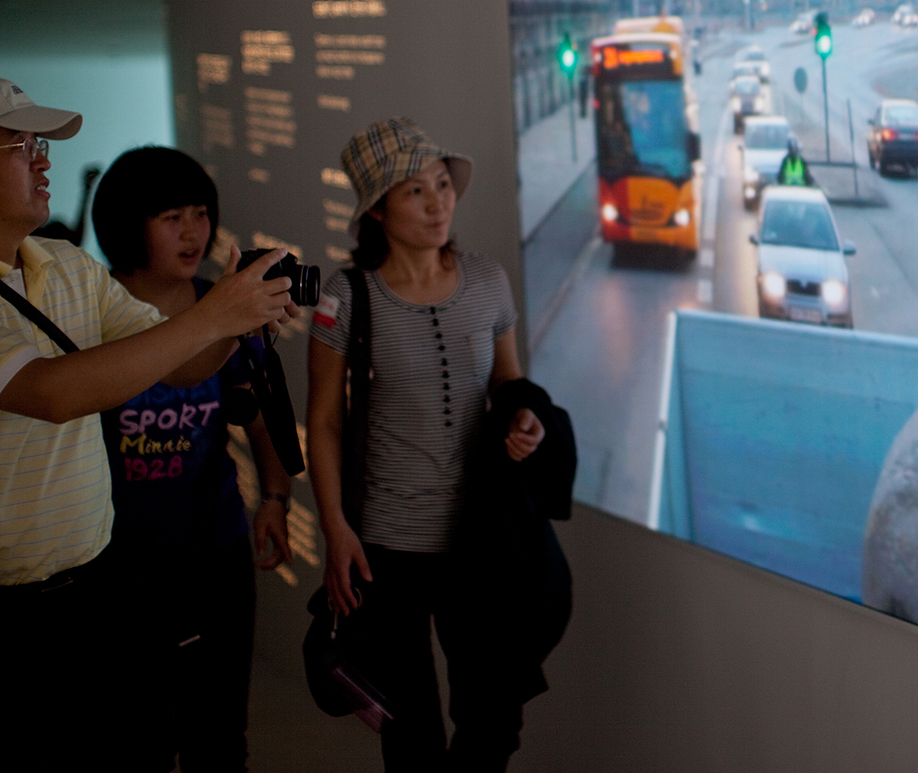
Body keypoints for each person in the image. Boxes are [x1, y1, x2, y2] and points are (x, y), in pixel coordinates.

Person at [0, 80, 295, 768]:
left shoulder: (67, 266)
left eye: (43, 146)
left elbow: (185, 364)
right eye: (23, 146)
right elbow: (50, 392)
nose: (44, 163)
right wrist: (217, 315)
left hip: (94, 582)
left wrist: (235, 315)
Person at [306, 118, 560, 772]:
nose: (438, 202)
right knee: (409, 731)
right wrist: (334, 527)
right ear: (377, 210)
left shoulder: (487, 281)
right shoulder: (346, 295)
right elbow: (326, 423)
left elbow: (509, 386)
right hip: (386, 548)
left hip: (480, 537)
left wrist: (525, 419)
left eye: (442, 185)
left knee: (494, 718)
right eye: (415, 191)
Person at [90, 146, 296, 772]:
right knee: (139, 737)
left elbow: (259, 415)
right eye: (171, 216)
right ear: (130, 225)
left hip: (216, 550)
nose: (192, 232)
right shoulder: (90, 309)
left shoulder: (219, 302)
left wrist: (274, 499)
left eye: (200, 213)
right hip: (119, 565)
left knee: (220, 735)